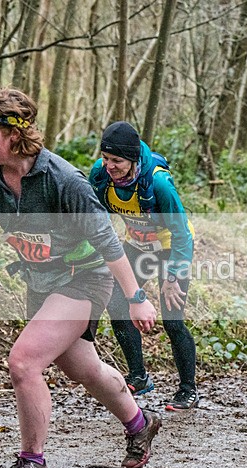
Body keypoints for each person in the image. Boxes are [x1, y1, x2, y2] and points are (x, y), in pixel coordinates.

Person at [0, 86, 160, 468]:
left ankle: (31, 460)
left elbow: (107, 240)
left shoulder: (63, 180)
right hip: (41, 283)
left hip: (84, 279)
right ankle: (140, 422)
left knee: (23, 362)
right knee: (83, 369)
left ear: (15, 133)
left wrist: (136, 298)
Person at [88, 121, 198, 410]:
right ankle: (139, 375)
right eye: (106, 158)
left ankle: (188, 389)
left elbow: (182, 234)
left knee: (173, 318)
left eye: (117, 161)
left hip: (170, 248)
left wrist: (172, 275)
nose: (109, 165)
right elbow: (94, 218)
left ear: (133, 160)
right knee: (117, 304)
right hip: (136, 246)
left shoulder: (159, 183)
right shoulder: (100, 175)